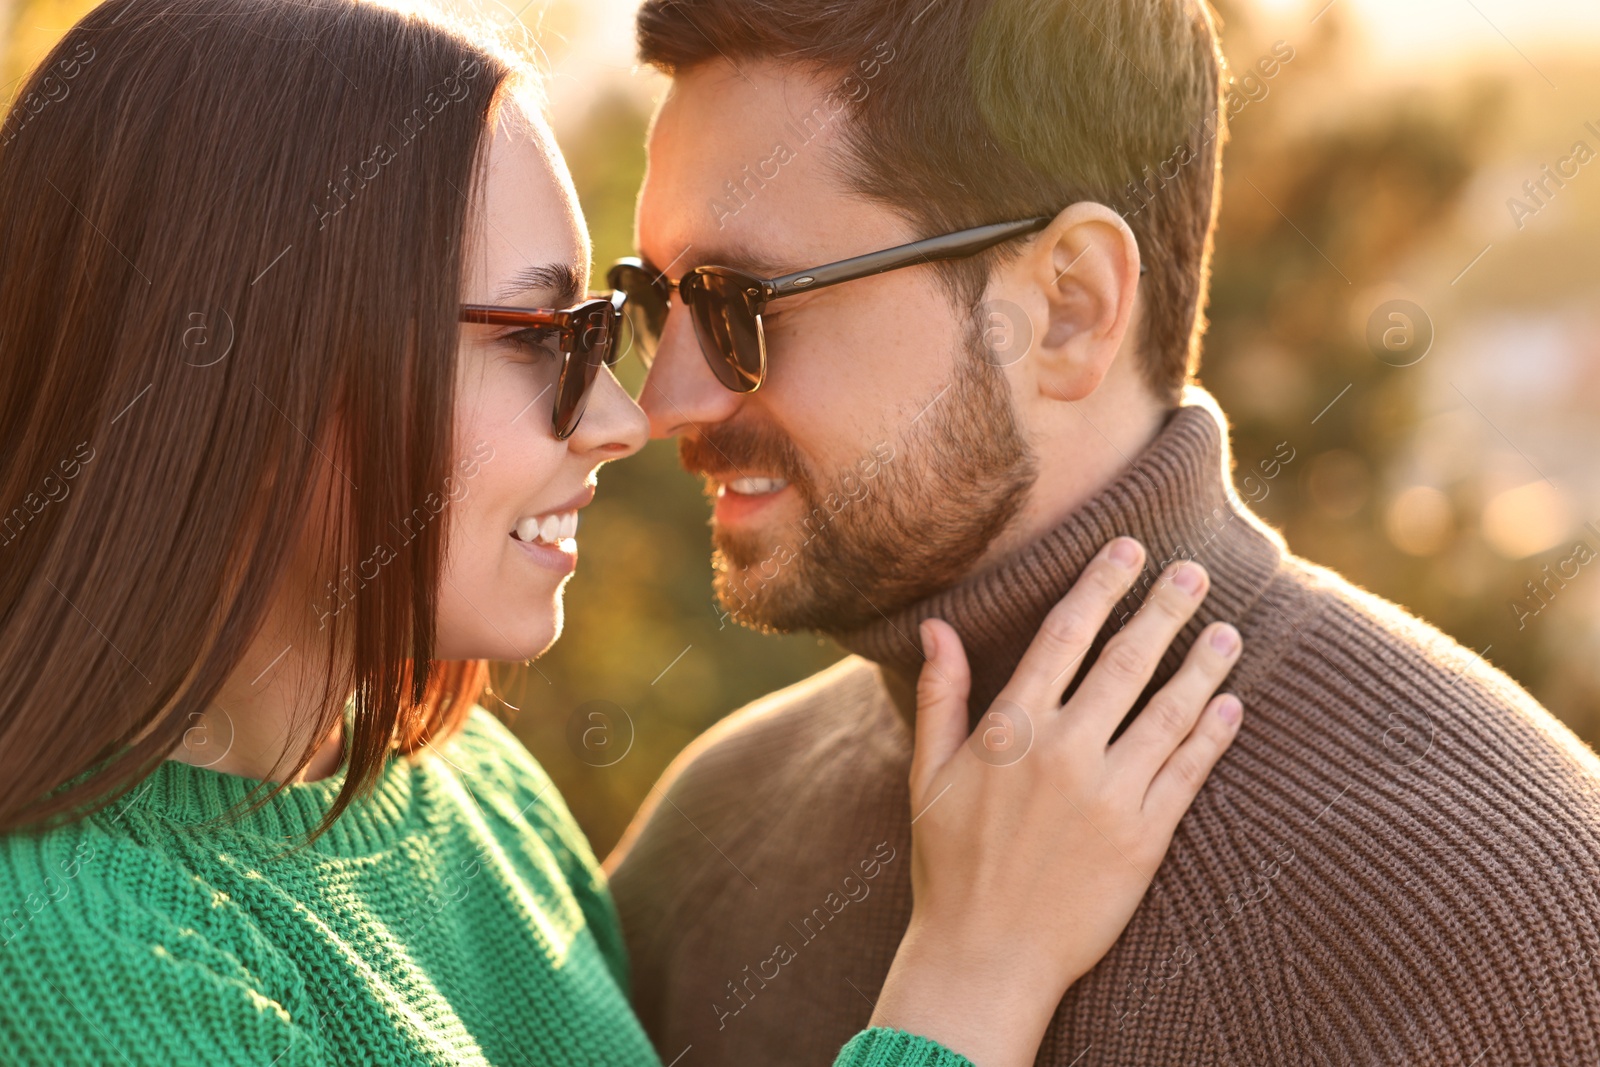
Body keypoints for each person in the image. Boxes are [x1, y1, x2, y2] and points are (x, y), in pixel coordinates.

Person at [0, 1, 1248, 1064]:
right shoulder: (75, 952)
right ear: (252, 366)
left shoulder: (471, 792)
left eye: (600, 331)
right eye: (539, 342)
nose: (622, 415)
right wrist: (974, 980)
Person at [602, 0, 1600, 1064]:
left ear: (1070, 305)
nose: (663, 400)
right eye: (659, 300)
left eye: (740, 302)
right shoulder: (708, 838)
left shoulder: (1503, 911)